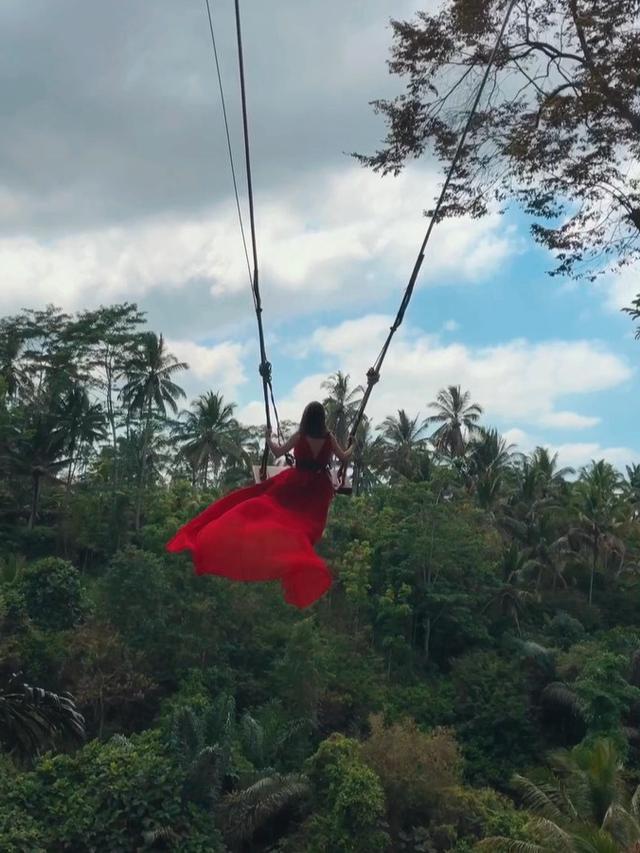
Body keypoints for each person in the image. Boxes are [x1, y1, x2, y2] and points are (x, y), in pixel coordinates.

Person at [166, 401, 353, 609]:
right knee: (305, 526)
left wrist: (268, 437)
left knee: (265, 502)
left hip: (296, 483)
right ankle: (296, 546)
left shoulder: (300, 436)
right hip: (318, 490)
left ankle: (245, 522)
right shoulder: (329, 438)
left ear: (306, 417)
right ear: (322, 419)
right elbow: (344, 456)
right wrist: (352, 444)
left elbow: (278, 452)